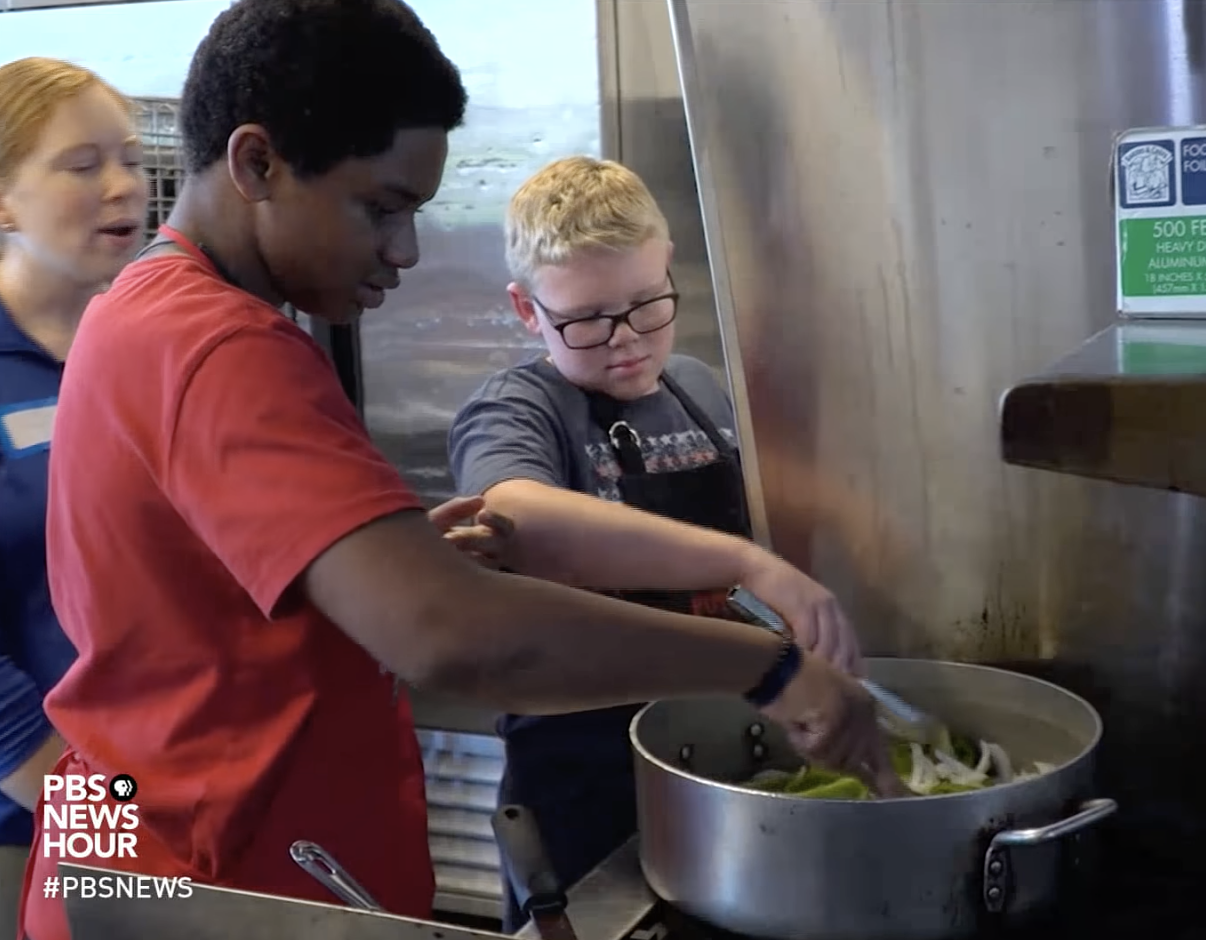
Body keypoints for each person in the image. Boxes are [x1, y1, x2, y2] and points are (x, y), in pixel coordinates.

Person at [18, 3, 896, 939]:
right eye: (381, 208)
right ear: (257, 164)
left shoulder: (140, 310)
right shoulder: (221, 344)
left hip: (128, 852)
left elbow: (185, 608)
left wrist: (382, 568)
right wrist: (767, 667)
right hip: (210, 885)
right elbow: (449, 637)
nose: (406, 251)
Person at [447, 155, 866, 931]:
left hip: (717, 761)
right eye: (585, 319)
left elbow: (787, 503)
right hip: (580, 783)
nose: (626, 340)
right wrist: (744, 562)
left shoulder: (699, 387)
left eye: (647, 305)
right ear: (526, 310)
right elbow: (517, 514)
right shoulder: (519, 410)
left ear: (668, 265)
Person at [0, 57, 149, 938]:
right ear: (4, 200)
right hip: (30, 825)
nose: (123, 184)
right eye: (83, 164)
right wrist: (94, 816)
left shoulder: (149, 348)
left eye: (129, 158)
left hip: (162, 791)